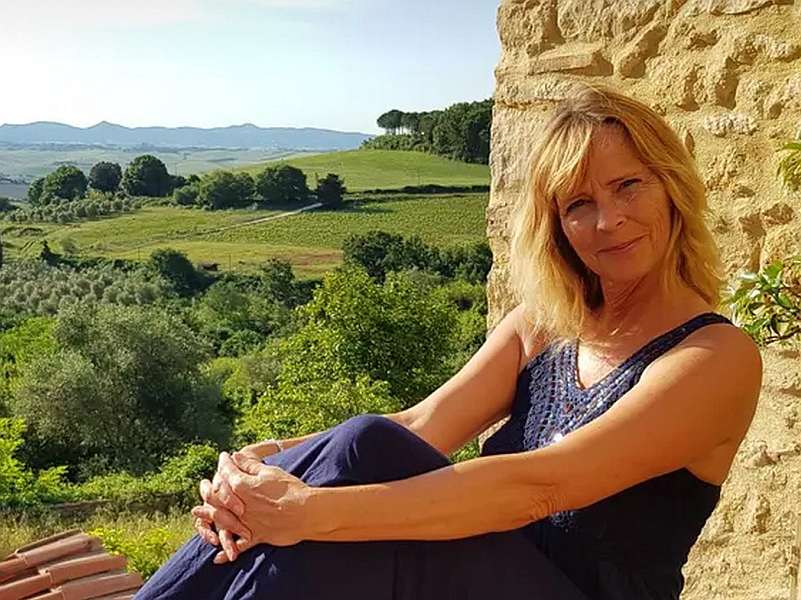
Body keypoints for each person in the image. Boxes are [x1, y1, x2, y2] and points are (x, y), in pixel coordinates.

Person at [134, 84, 762, 600]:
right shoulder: (543, 324)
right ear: (558, 227)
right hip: (475, 574)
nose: (608, 220)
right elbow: (420, 426)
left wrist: (303, 510)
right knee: (365, 443)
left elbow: (540, 487)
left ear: (670, 185)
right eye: (578, 203)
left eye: (628, 186)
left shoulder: (714, 358)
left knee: (326, 520)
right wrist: (264, 464)